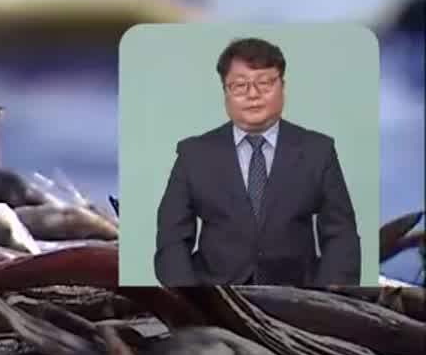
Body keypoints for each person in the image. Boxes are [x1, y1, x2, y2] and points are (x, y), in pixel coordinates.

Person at [153, 36, 361, 286]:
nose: (253, 95)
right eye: (240, 86)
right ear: (225, 92)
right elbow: (172, 238)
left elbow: (341, 236)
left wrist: (328, 300)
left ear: (282, 87)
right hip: (217, 295)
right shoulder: (194, 154)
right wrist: (191, 300)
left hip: (298, 297)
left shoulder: (318, 150)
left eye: (265, 83)